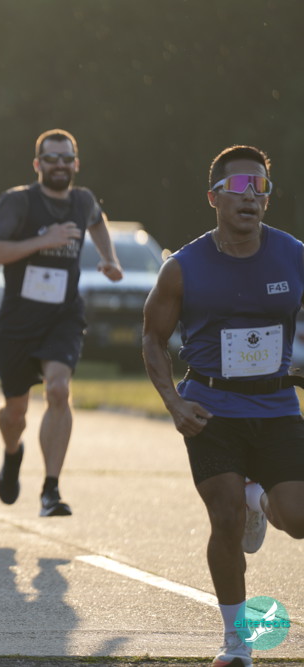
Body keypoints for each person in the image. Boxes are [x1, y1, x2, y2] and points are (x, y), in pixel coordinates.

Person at [143, 145, 304, 667]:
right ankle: (237, 642)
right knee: (225, 517)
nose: (250, 195)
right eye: (238, 186)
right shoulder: (183, 267)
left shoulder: (293, 255)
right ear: (214, 197)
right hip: (211, 408)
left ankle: (260, 497)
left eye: (260, 186)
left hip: (277, 407)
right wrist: (174, 403)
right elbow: (153, 338)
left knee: (298, 518)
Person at [0, 129, 123, 517]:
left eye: (66, 158)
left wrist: (109, 258)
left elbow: (97, 221)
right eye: (51, 158)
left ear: (76, 163)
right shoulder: (18, 202)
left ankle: (51, 490)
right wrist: (43, 240)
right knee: (15, 413)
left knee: (58, 390)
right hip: (17, 322)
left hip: (63, 316)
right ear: (37, 164)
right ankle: (13, 452)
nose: (59, 165)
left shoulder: (83, 200)